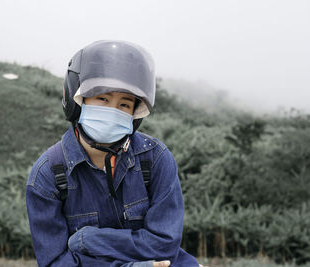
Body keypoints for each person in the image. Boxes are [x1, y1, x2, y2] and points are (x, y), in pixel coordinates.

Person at [26, 40, 199, 267]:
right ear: (77, 100)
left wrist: (88, 240)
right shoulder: (47, 176)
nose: (112, 111)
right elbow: (55, 263)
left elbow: (165, 244)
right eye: (102, 99)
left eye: (124, 105)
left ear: (135, 113)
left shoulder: (155, 159)